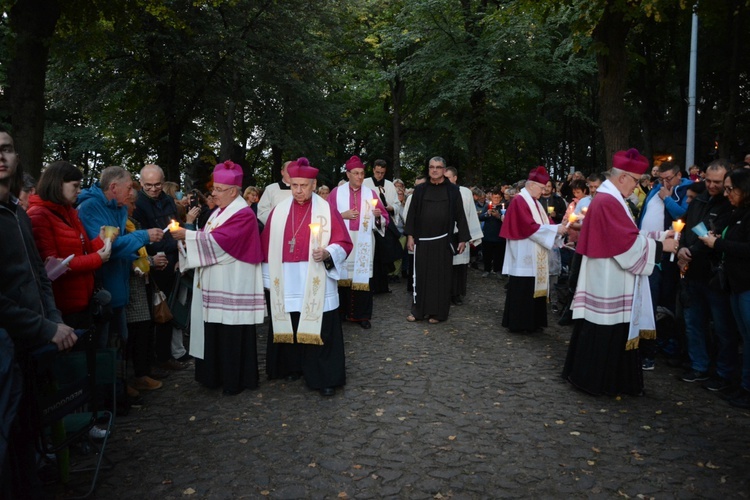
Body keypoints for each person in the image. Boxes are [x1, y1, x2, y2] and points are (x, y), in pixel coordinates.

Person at [0, 128, 78, 498]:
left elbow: (39, 274)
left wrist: (55, 320)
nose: (1, 157)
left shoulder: (17, 214)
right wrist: (44, 326)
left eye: (7, 149)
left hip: (32, 348)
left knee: (29, 432)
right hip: (7, 350)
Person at [563, 148, 678, 396]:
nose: (637, 186)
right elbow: (625, 244)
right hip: (608, 279)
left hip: (607, 276)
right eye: (636, 181)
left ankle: (595, 377)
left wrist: (658, 235)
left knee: (602, 328)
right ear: (623, 176)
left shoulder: (610, 198)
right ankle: (601, 381)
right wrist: (660, 248)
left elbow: (629, 235)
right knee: (606, 328)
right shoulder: (608, 200)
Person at [171, 161, 266, 395]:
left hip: (233, 283)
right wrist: (187, 240)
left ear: (233, 191)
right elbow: (208, 236)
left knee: (231, 332)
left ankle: (235, 379)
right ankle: (213, 376)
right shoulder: (218, 212)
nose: (213, 193)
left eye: (218, 189)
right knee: (214, 329)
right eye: (214, 188)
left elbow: (222, 243)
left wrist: (189, 235)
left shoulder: (242, 214)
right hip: (216, 281)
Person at [261, 158, 353, 396]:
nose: (299, 191)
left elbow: (343, 241)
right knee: (290, 320)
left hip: (315, 275)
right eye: (294, 186)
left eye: (304, 185)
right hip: (287, 275)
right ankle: (292, 367)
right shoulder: (279, 211)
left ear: (313, 185)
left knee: (321, 325)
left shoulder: (326, 209)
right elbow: (266, 244)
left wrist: (327, 252)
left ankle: (325, 377)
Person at [77, 166, 164, 348]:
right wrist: (144, 236)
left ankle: (120, 377)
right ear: (114, 187)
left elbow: (122, 245)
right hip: (102, 292)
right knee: (103, 347)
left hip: (119, 290)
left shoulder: (119, 209)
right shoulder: (90, 207)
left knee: (119, 343)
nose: (132, 192)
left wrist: (136, 261)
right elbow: (109, 249)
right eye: (129, 187)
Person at [26, 161, 112, 331]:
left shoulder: (70, 212)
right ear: (58, 185)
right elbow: (52, 267)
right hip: (63, 307)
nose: (79, 191)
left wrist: (101, 241)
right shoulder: (39, 216)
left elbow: (82, 250)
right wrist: (97, 259)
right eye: (75, 186)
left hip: (82, 301)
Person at [676, 160, 738, 389]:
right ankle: (699, 366)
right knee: (694, 323)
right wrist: (682, 248)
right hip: (692, 271)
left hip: (714, 274)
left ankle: (724, 372)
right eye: (708, 181)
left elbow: (715, 236)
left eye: (717, 182)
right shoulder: (700, 199)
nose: (711, 185)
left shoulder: (730, 205)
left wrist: (689, 251)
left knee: (722, 327)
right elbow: (688, 226)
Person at [698, 168, 750, 409]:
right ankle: (741, 384)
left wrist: (717, 243)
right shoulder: (737, 212)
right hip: (734, 284)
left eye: (731, 189)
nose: (727, 194)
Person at [133, 164, 190, 370]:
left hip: (170, 264)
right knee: (148, 315)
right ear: (141, 183)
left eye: (157, 184)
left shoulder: (167, 201)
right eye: (148, 185)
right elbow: (141, 238)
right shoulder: (137, 204)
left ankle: (164, 356)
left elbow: (174, 230)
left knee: (167, 311)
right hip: (148, 264)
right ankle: (149, 362)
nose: (153, 189)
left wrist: (177, 255)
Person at [638, 161, 691, 370]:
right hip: (648, 250)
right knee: (647, 300)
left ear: (679, 175)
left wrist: (667, 198)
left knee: (664, 301)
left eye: (668, 178)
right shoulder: (656, 190)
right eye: (661, 179)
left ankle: (663, 344)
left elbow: (681, 215)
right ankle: (647, 345)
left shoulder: (686, 189)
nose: (665, 182)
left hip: (667, 255)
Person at [500, 167, 567, 332]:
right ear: (532, 185)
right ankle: (521, 324)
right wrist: (556, 230)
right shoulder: (520, 200)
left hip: (533, 251)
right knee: (524, 287)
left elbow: (542, 225)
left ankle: (534, 322)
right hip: (524, 252)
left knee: (532, 286)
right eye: (542, 188)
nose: (544, 191)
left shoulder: (534, 201)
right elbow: (528, 227)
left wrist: (559, 227)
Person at [405, 156, 470, 324]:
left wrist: (463, 238)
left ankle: (438, 313)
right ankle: (418, 311)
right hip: (422, 241)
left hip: (443, 240)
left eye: (438, 167)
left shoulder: (453, 191)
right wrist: (410, 236)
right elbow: (412, 214)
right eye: (432, 167)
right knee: (421, 277)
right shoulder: (420, 190)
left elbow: (460, 215)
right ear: (428, 169)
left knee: (440, 278)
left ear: (444, 169)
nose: (434, 170)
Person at [328, 156, 388, 329]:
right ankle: (341, 313)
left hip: (364, 242)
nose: (360, 177)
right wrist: (342, 215)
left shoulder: (371, 193)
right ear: (348, 174)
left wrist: (378, 217)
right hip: (342, 240)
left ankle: (362, 316)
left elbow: (384, 218)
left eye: (362, 173)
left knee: (362, 278)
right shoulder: (336, 193)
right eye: (356, 173)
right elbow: (324, 216)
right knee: (342, 277)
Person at [444, 167, 483, 305]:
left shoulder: (465, 192)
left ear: (455, 178)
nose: (446, 180)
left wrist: (472, 235)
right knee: (445, 266)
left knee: (459, 267)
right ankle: (444, 294)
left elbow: (471, 213)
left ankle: (457, 294)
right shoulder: (440, 190)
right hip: (445, 235)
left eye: (448, 177)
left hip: (461, 234)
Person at [363, 159, 399, 294]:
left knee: (383, 257)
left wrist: (390, 207)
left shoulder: (390, 185)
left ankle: (383, 286)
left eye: (382, 173)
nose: (379, 175)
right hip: (369, 225)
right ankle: (370, 286)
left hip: (384, 224)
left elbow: (396, 204)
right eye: (377, 172)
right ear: (373, 170)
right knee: (371, 256)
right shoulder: (366, 183)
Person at [257, 160, 293, 225]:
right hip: (276, 227)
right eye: (288, 171)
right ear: (282, 172)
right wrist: (277, 220)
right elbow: (262, 211)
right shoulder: (271, 189)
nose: (291, 174)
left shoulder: (302, 190)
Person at [479, 189, 505, 278]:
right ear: (491, 197)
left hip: (500, 235)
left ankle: (498, 270)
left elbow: (507, 220)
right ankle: (487, 269)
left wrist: (499, 216)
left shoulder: (503, 207)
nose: (496, 199)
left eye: (498, 197)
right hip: (488, 234)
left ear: (501, 198)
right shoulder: (487, 206)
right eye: (494, 197)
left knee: (499, 254)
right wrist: (487, 214)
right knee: (487, 254)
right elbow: (481, 217)